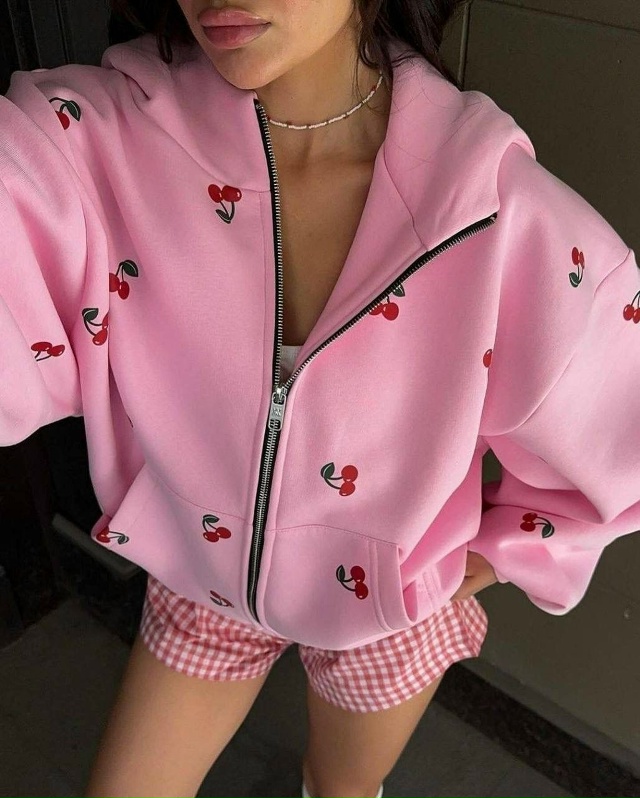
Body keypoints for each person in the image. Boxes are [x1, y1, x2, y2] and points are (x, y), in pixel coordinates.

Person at [1, 1, 638, 797]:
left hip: (380, 622)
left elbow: (619, 436)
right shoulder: (89, 144)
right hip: (203, 580)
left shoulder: (501, 217)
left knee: (340, 791)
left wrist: (474, 563)